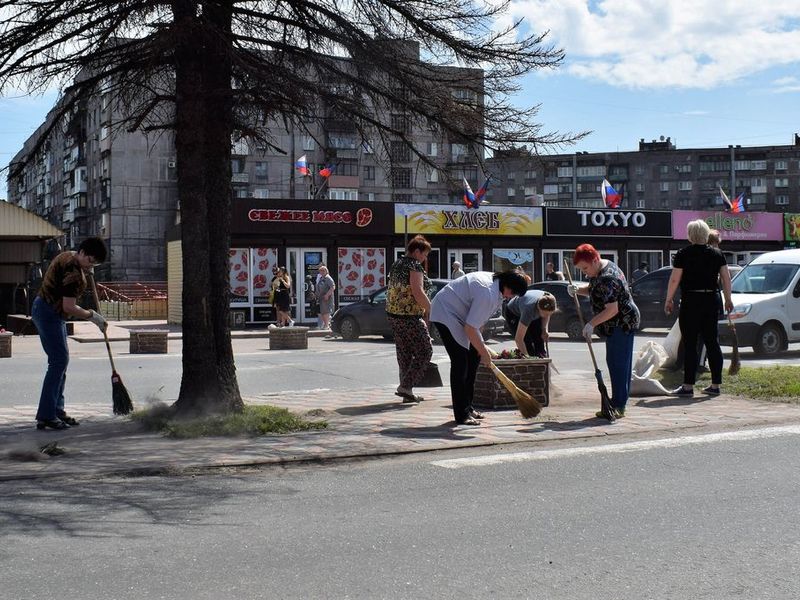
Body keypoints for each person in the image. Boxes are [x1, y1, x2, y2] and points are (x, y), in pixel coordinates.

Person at [431, 270, 528, 425]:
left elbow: (478, 323)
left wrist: (480, 349)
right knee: (460, 363)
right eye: (513, 293)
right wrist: (484, 351)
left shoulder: (497, 290)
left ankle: (468, 407)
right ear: (508, 286)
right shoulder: (487, 292)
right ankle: (461, 415)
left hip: (461, 317)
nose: (510, 297)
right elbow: (470, 327)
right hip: (446, 312)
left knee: (473, 359)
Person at [32, 237, 108, 430]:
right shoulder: (73, 273)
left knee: (61, 362)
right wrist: (92, 316)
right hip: (50, 313)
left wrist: (85, 268)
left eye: (95, 263)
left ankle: (57, 410)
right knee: (58, 362)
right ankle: (47, 415)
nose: (91, 265)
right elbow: (69, 306)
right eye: (90, 260)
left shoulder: (67, 255)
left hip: (45, 309)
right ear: (81, 252)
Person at [568, 244, 640, 419]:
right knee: (614, 361)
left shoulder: (609, 278)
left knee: (619, 364)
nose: (585, 273)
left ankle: (619, 405)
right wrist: (578, 290)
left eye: (585, 268)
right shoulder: (601, 267)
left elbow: (612, 309)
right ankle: (616, 402)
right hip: (614, 324)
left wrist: (591, 324)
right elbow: (594, 289)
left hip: (622, 323)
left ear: (594, 260)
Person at [665, 220, 733, 397]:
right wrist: (728, 299)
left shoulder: (683, 254)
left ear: (690, 235)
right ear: (705, 234)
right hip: (711, 299)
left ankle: (688, 386)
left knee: (690, 343)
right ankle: (716, 385)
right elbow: (726, 278)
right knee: (712, 342)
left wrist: (669, 299)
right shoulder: (717, 254)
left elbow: (674, 279)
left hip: (691, 300)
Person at [386, 235, 433, 403]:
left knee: (404, 353)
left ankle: (407, 391)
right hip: (409, 315)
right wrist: (430, 309)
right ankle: (405, 387)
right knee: (425, 350)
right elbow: (418, 291)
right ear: (417, 251)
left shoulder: (397, 264)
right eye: (424, 254)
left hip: (393, 315)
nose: (425, 258)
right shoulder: (414, 266)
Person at [503, 290, 556, 358]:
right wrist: (528, 358)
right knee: (527, 341)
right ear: (538, 308)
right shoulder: (528, 310)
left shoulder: (551, 300)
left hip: (531, 309)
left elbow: (546, 315)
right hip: (514, 313)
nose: (547, 316)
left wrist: (544, 329)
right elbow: (519, 339)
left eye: (549, 314)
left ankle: (542, 360)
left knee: (539, 338)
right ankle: (530, 363)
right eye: (545, 314)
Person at [315, 264, 336, 331]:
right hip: (321, 298)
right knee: (323, 312)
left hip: (327, 298)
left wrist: (327, 295)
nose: (321, 272)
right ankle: (325, 324)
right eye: (320, 271)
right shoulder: (322, 278)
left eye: (322, 270)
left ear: (326, 271)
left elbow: (333, 287)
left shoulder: (328, 278)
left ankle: (327, 325)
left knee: (326, 311)